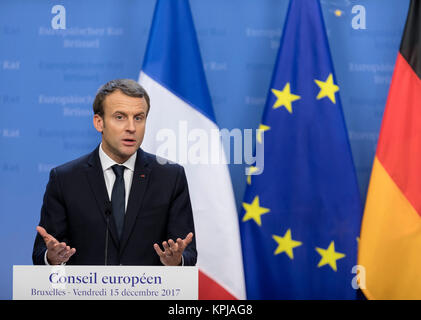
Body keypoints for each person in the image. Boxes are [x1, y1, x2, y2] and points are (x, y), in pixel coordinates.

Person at [32, 79, 197, 266]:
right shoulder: (65, 179)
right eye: (120, 117)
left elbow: (188, 252)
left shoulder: (170, 177)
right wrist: (52, 258)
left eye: (138, 118)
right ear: (99, 122)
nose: (131, 128)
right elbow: (41, 252)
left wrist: (176, 261)